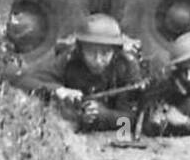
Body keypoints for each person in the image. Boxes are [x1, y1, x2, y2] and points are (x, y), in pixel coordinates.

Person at [14, 14, 147, 132]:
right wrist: (59, 91)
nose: (98, 60)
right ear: (80, 50)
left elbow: (134, 120)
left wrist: (104, 115)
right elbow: (26, 80)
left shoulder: (126, 66)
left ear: (115, 52)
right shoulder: (69, 59)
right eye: (91, 52)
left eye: (105, 53)